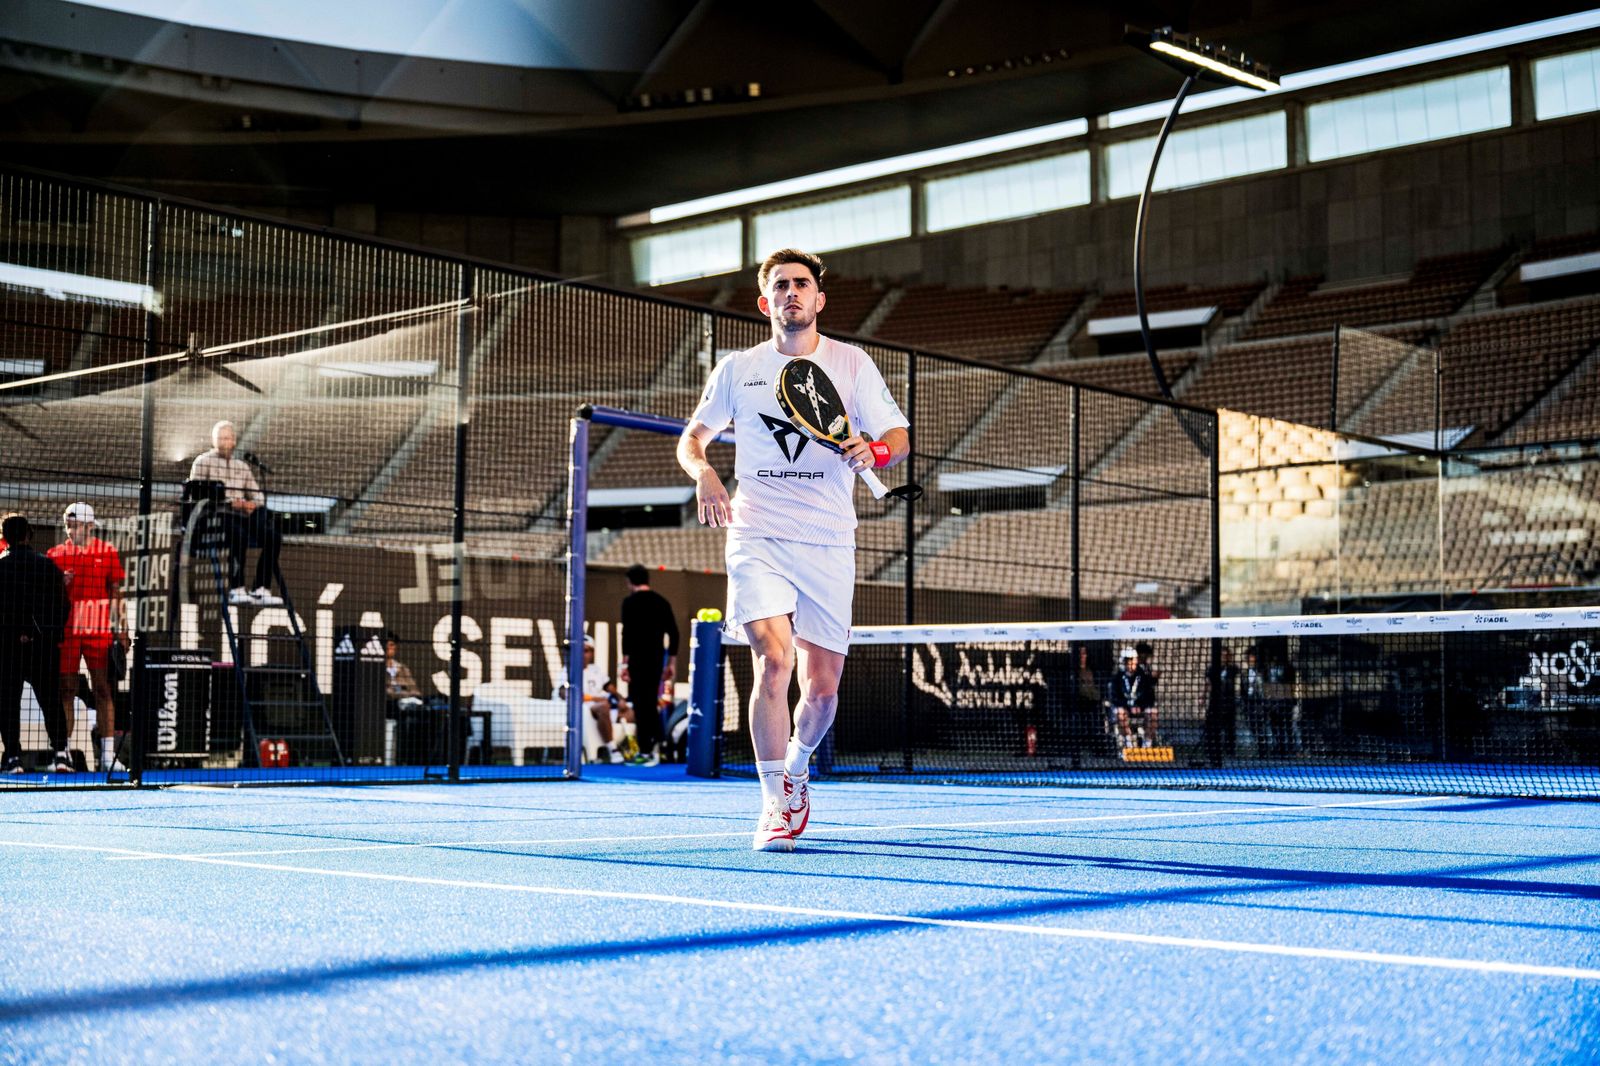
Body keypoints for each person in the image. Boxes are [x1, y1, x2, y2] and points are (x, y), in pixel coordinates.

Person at [678, 247, 910, 852]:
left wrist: (875, 453)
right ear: (766, 302)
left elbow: (899, 437)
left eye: (801, 284)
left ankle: (799, 766)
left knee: (824, 686)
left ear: (819, 299)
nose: (792, 293)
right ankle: (773, 804)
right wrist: (704, 473)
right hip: (757, 531)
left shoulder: (852, 364)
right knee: (772, 661)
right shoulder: (738, 369)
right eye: (780, 285)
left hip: (829, 536)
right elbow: (692, 439)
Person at [46, 503, 131, 773]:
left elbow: (116, 594)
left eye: (77, 524)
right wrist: (61, 584)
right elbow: (46, 596)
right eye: (69, 525)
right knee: (66, 690)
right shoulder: (55, 554)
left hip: (98, 632)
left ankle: (108, 756)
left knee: (103, 690)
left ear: (90, 525)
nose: (71, 529)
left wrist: (123, 630)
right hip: (67, 632)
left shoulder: (107, 552)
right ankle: (62, 754)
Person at [0, 514, 72, 773]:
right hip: (43, 645)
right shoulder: (47, 566)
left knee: (8, 701)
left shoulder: (1, 566)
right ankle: (62, 753)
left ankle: (13, 758)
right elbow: (62, 606)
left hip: (7, 645)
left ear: (4, 537)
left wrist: (17, 632)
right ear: (29, 534)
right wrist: (42, 632)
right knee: (50, 699)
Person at [188, 420, 283, 607]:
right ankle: (236, 588)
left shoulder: (242, 466)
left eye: (228, 438)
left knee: (273, 537)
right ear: (214, 441)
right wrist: (230, 503)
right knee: (237, 535)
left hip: (242, 516)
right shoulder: (203, 461)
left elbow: (258, 497)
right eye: (221, 438)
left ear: (234, 441)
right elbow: (195, 493)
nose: (224, 442)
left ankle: (260, 588)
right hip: (216, 516)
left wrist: (250, 504)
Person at [619, 564, 679, 767]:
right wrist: (671, 662)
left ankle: (647, 750)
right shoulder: (661, 601)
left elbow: (626, 634)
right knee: (649, 703)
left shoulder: (629, 603)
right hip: (655, 659)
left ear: (629, 582)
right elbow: (674, 633)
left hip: (637, 660)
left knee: (642, 704)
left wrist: (624, 664)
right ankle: (656, 748)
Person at [1104, 646, 1158, 750]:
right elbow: (1114, 698)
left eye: (1132, 660)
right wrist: (1128, 707)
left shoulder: (1143, 676)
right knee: (1119, 712)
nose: (1130, 663)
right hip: (1125, 708)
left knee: (1153, 712)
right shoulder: (1117, 678)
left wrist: (1141, 706)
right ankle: (1128, 743)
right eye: (1127, 661)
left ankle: (1147, 745)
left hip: (1141, 708)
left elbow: (1150, 697)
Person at [1202, 645, 1241, 768]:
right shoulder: (1212, 669)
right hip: (1215, 704)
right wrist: (1202, 697)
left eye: (1227, 655)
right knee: (1212, 729)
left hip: (1229, 704)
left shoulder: (1233, 669)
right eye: (1223, 655)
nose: (1225, 658)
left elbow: (1238, 683)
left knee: (1230, 729)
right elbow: (1207, 683)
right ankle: (1211, 751)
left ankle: (1230, 751)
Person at [384, 636, 423, 714]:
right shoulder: (375, 668)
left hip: (405, 706)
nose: (388, 648)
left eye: (391, 645)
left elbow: (415, 691)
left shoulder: (403, 668)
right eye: (386, 645)